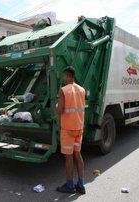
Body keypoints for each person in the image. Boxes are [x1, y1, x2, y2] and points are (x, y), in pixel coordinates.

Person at [56, 66, 86, 195]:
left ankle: (69, 185)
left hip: (68, 129)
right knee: (78, 155)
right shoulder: (82, 90)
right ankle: (81, 185)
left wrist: (56, 106)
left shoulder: (63, 90)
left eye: (64, 76)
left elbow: (60, 110)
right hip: (79, 128)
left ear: (67, 76)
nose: (63, 78)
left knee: (68, 158)